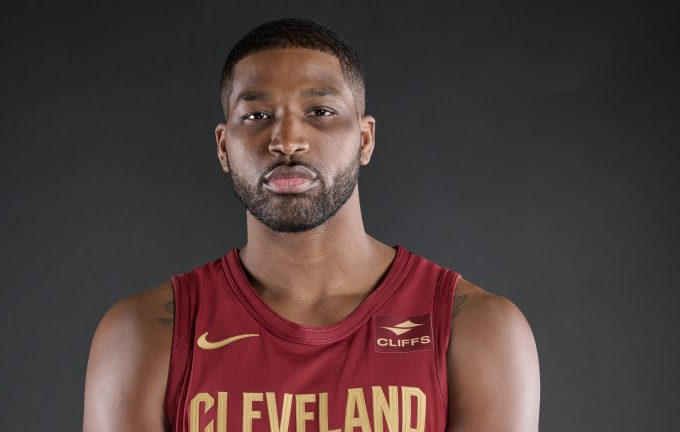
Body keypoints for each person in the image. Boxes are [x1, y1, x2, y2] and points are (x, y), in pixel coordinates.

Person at [83, 18, 540, 432]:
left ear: (365, 138)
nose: (287, 140)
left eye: (320, 112)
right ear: (224, 147)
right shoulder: (145, 334)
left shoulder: (476, 330)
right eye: (256, 115)